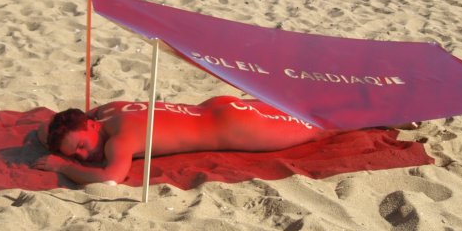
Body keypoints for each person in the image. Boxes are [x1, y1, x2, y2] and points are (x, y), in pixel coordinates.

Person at [34, 96, 420, 185]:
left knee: (322, 128)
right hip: (219, 109)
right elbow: (48, 129)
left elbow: (109, 179)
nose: (84, 155)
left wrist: (61, 167)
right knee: (301, 111)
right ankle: (368, 101)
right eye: (76, 155)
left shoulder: (119, 140)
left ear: (90, 125)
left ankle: (388, 111)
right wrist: (63, 143)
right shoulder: (112, 112)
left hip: (237, 127)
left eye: (81, 146)